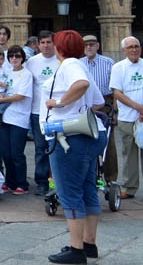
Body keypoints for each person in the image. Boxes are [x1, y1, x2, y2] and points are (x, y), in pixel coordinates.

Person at [43, 30, 101, 264]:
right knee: (88, 189)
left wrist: (58, 103)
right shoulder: (80, 64)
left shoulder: (68, 65)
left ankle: (76, 249)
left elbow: (82, 84)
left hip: (69, 137)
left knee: (69, 192)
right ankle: (89, 244)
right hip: (89, 134)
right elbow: (97, 101)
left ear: (59, 48)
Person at [111, 35, 143, 203]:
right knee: (129, 153)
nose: (134, 49)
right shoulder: (118, 67)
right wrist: (137, 107)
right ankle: (129, 187)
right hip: (128, 118)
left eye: (136, 46)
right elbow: (117, 93)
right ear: (123, 50)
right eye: (130, 47)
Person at [0, 45, 32, 194]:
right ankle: (10, 181)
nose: (14, 59)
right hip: (5, 117)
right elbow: (4, 89)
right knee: (6, 153)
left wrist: (3, 100)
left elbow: (21, 96)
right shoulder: (7, 72)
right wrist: (1, 96)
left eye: (18, 56)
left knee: (17, 153)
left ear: (23, 58)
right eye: (12, 56)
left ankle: (22, 183)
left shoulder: (26, 74)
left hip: (19, 118)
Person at [26, 30, 59, 195]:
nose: (46, 46)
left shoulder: (61, 60)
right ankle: (41, 181)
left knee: (57, 146)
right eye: (43, 43)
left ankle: (56, 180)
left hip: (58, 112)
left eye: (49, 42)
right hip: (37, 112)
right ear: (37, 45)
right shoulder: (31, 62)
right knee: (41, 148)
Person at [81, 34, 116, 184]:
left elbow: (115, 89)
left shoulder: (108, 62)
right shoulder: (78, 63)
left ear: (98, 46)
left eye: (92, 44)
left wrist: (115, 111)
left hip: (105, 104)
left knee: (108, 143)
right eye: (86, 45)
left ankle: (110, 178)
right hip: (84, 104)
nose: (89, 47)